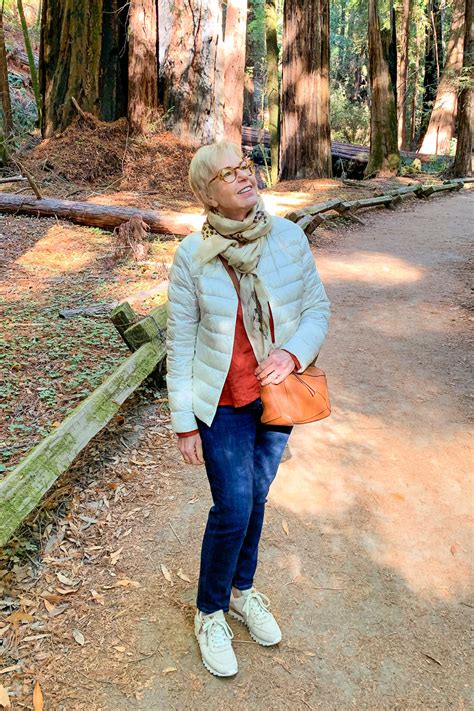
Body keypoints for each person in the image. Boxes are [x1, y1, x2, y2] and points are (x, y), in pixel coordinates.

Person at [166, 141, 330, 677]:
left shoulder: (287, 236)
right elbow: (180, 342)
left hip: (275, 397)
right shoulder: (193, 254)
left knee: (257, 496)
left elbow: (315, 307)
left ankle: (242, 588)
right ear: (206, 194)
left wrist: (291, 352)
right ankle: (209, 610)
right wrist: (184, 423)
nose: (243, 177)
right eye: (227, 174)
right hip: (223, 401)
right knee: (233, 506)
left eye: (245, 167)